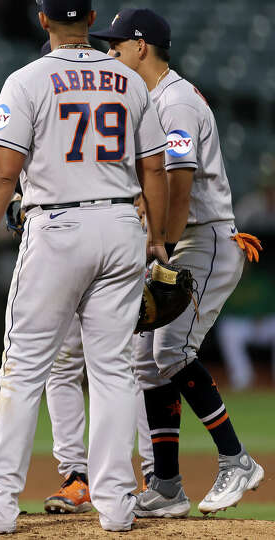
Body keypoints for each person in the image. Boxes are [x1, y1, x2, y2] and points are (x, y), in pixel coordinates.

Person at [0, 0, 170, 532]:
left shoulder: (26, 80)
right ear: (93, 19)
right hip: (121, 226)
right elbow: (155, 167)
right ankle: (117, 505)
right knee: (114, 371)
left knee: (24, 369)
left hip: (58, 228)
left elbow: (2, 172)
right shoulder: (129, 80)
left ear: (43, 19)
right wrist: (158, 239)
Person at [94, 8, 265, 517]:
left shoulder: (176, 102)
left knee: (170, 353)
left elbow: (181, 183)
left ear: (141, 46)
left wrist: (158, 245)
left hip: (203, 241)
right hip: (182, 239)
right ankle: (167, 486)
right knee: (147, 362)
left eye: (117, 46)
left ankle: (237, 461)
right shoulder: (150, 101)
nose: (110, 54)